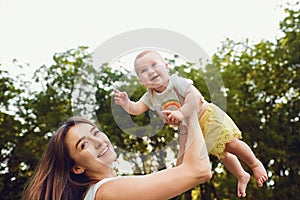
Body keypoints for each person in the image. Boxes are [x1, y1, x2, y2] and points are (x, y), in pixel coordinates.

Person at [114, 50, 268, 197]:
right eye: (143, 71)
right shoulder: (150, 96)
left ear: (166, 66)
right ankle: (241, 175)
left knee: (231, 144)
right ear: (141, 81)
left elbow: (195, 97)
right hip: (193, 130)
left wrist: (181, 113)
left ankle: (254, 164)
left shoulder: (176, 82)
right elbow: (137, 109)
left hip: (207, 117)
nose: (150, 71)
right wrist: (126, 103)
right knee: (222, 153)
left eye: (154, 65)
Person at [22, 113, 211, 200]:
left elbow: (183, 172)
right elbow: (198, 171)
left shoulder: (102, 192)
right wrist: (191, 112)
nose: (98, 142)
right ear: (77, 167)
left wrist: (185, 125)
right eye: (84, 144)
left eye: (95, 133)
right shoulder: (106, 192)